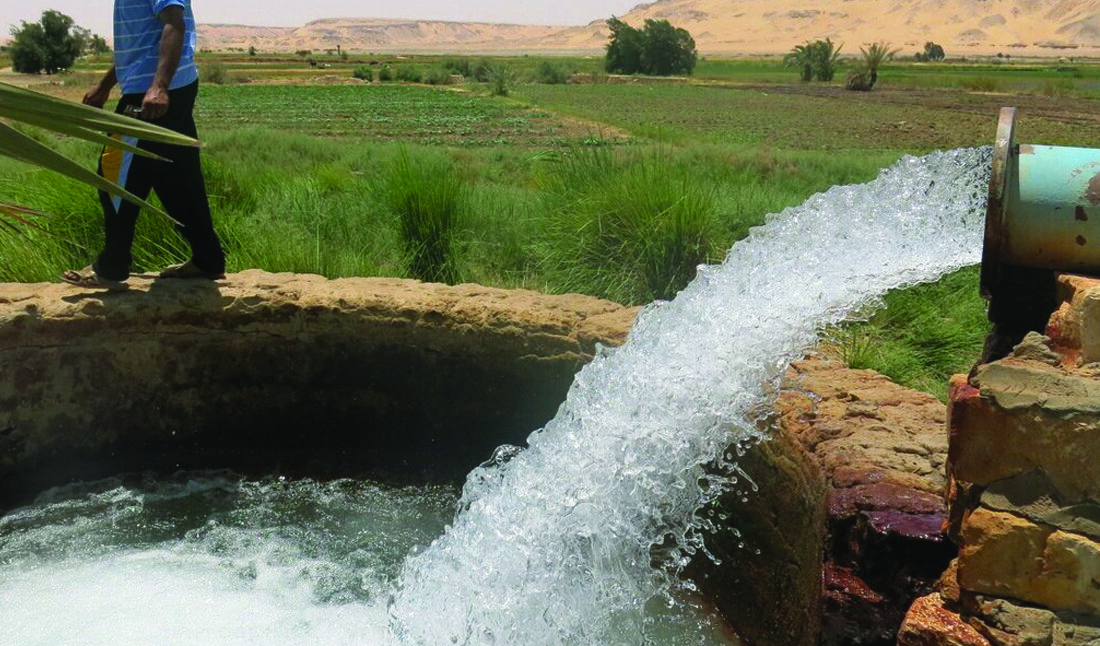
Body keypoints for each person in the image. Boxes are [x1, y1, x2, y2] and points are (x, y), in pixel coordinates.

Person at [62, 0, 225, 291]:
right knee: (176, 176)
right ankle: (208, 259)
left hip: (151, 94)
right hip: (167, 86)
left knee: (114, 172)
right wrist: (105, 84)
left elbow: (174, 22)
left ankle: (111, 268)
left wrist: (159, 86)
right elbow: (142, 43)